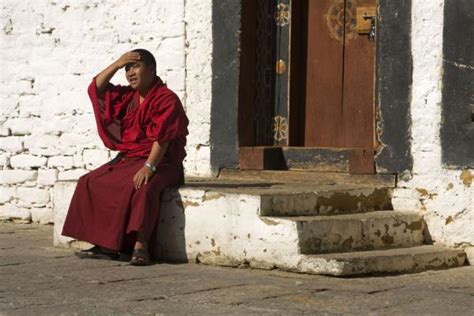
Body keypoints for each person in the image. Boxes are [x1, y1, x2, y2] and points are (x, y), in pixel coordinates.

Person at [62, 49, 189, 266]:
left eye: (136, 66)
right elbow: (96, 89)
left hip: (163, 162)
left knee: (144, 186)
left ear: (151, 70)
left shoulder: (166, 98)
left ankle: (140, 245)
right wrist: (117, 63)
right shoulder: (128, 97)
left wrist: (149, 167)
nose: (130, 72)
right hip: (130, 159)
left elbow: (163, 137)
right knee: (90, 181)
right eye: (127, 69)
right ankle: (106, 243)